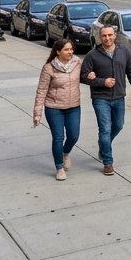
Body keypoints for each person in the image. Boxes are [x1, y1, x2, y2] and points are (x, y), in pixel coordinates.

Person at [79, 26, 131, 175]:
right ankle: (108, 162)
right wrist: (101, 82)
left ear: (115, 35)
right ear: (100, 37)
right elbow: (83, 76)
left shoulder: (123, 51)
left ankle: (103, 144)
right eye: (104, 36)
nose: (107, 38)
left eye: (110, 35)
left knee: (118, 125)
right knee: (105, 129)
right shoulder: (92, 55)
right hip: (101, 98)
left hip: (119, 96)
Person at [34, 38, 82, 181]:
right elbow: (41, 90)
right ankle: (59, 167)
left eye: (71, 49)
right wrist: (37, 113)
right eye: (66, 50)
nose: (70, 52)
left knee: (74, 135)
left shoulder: (77, 62)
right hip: (54, 108)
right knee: (58, 137)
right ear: (58, 52)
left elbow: (86, 75)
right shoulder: (49, 68)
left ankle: (65, 152)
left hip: (73, 106)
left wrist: (91, 76)